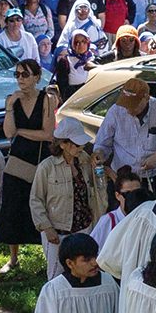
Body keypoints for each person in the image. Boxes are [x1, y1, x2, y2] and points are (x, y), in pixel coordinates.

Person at [0, 58, 57, 271]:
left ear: (36, 77)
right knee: (13, 206)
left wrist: (22, 132)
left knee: (41, 206)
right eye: (17, 74)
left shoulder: (47, 99)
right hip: (17, 160)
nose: (20, 79)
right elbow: (8, 132)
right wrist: (10, 107)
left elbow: (48, 134)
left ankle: (47, 252)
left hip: (39, 159)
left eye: (25, 74)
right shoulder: (12, 99)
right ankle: (13, 257)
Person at [29, 116, 101, 274]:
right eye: (76, 144)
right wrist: (46, 228)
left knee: (85, 271)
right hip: (58, 231)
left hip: (84, 226)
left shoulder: (84, 160)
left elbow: (96, 189)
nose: (80, 147)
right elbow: (36, 199)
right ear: (63, 144)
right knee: (56, 273)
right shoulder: (47, 167)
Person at [92, 77, 156, 202]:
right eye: (126, 105)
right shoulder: (116, 111)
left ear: (146, 98)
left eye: (133, 105)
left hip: (152, 179)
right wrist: (99, 154)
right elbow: (102, 144)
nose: (128, 110)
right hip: (122, 178)